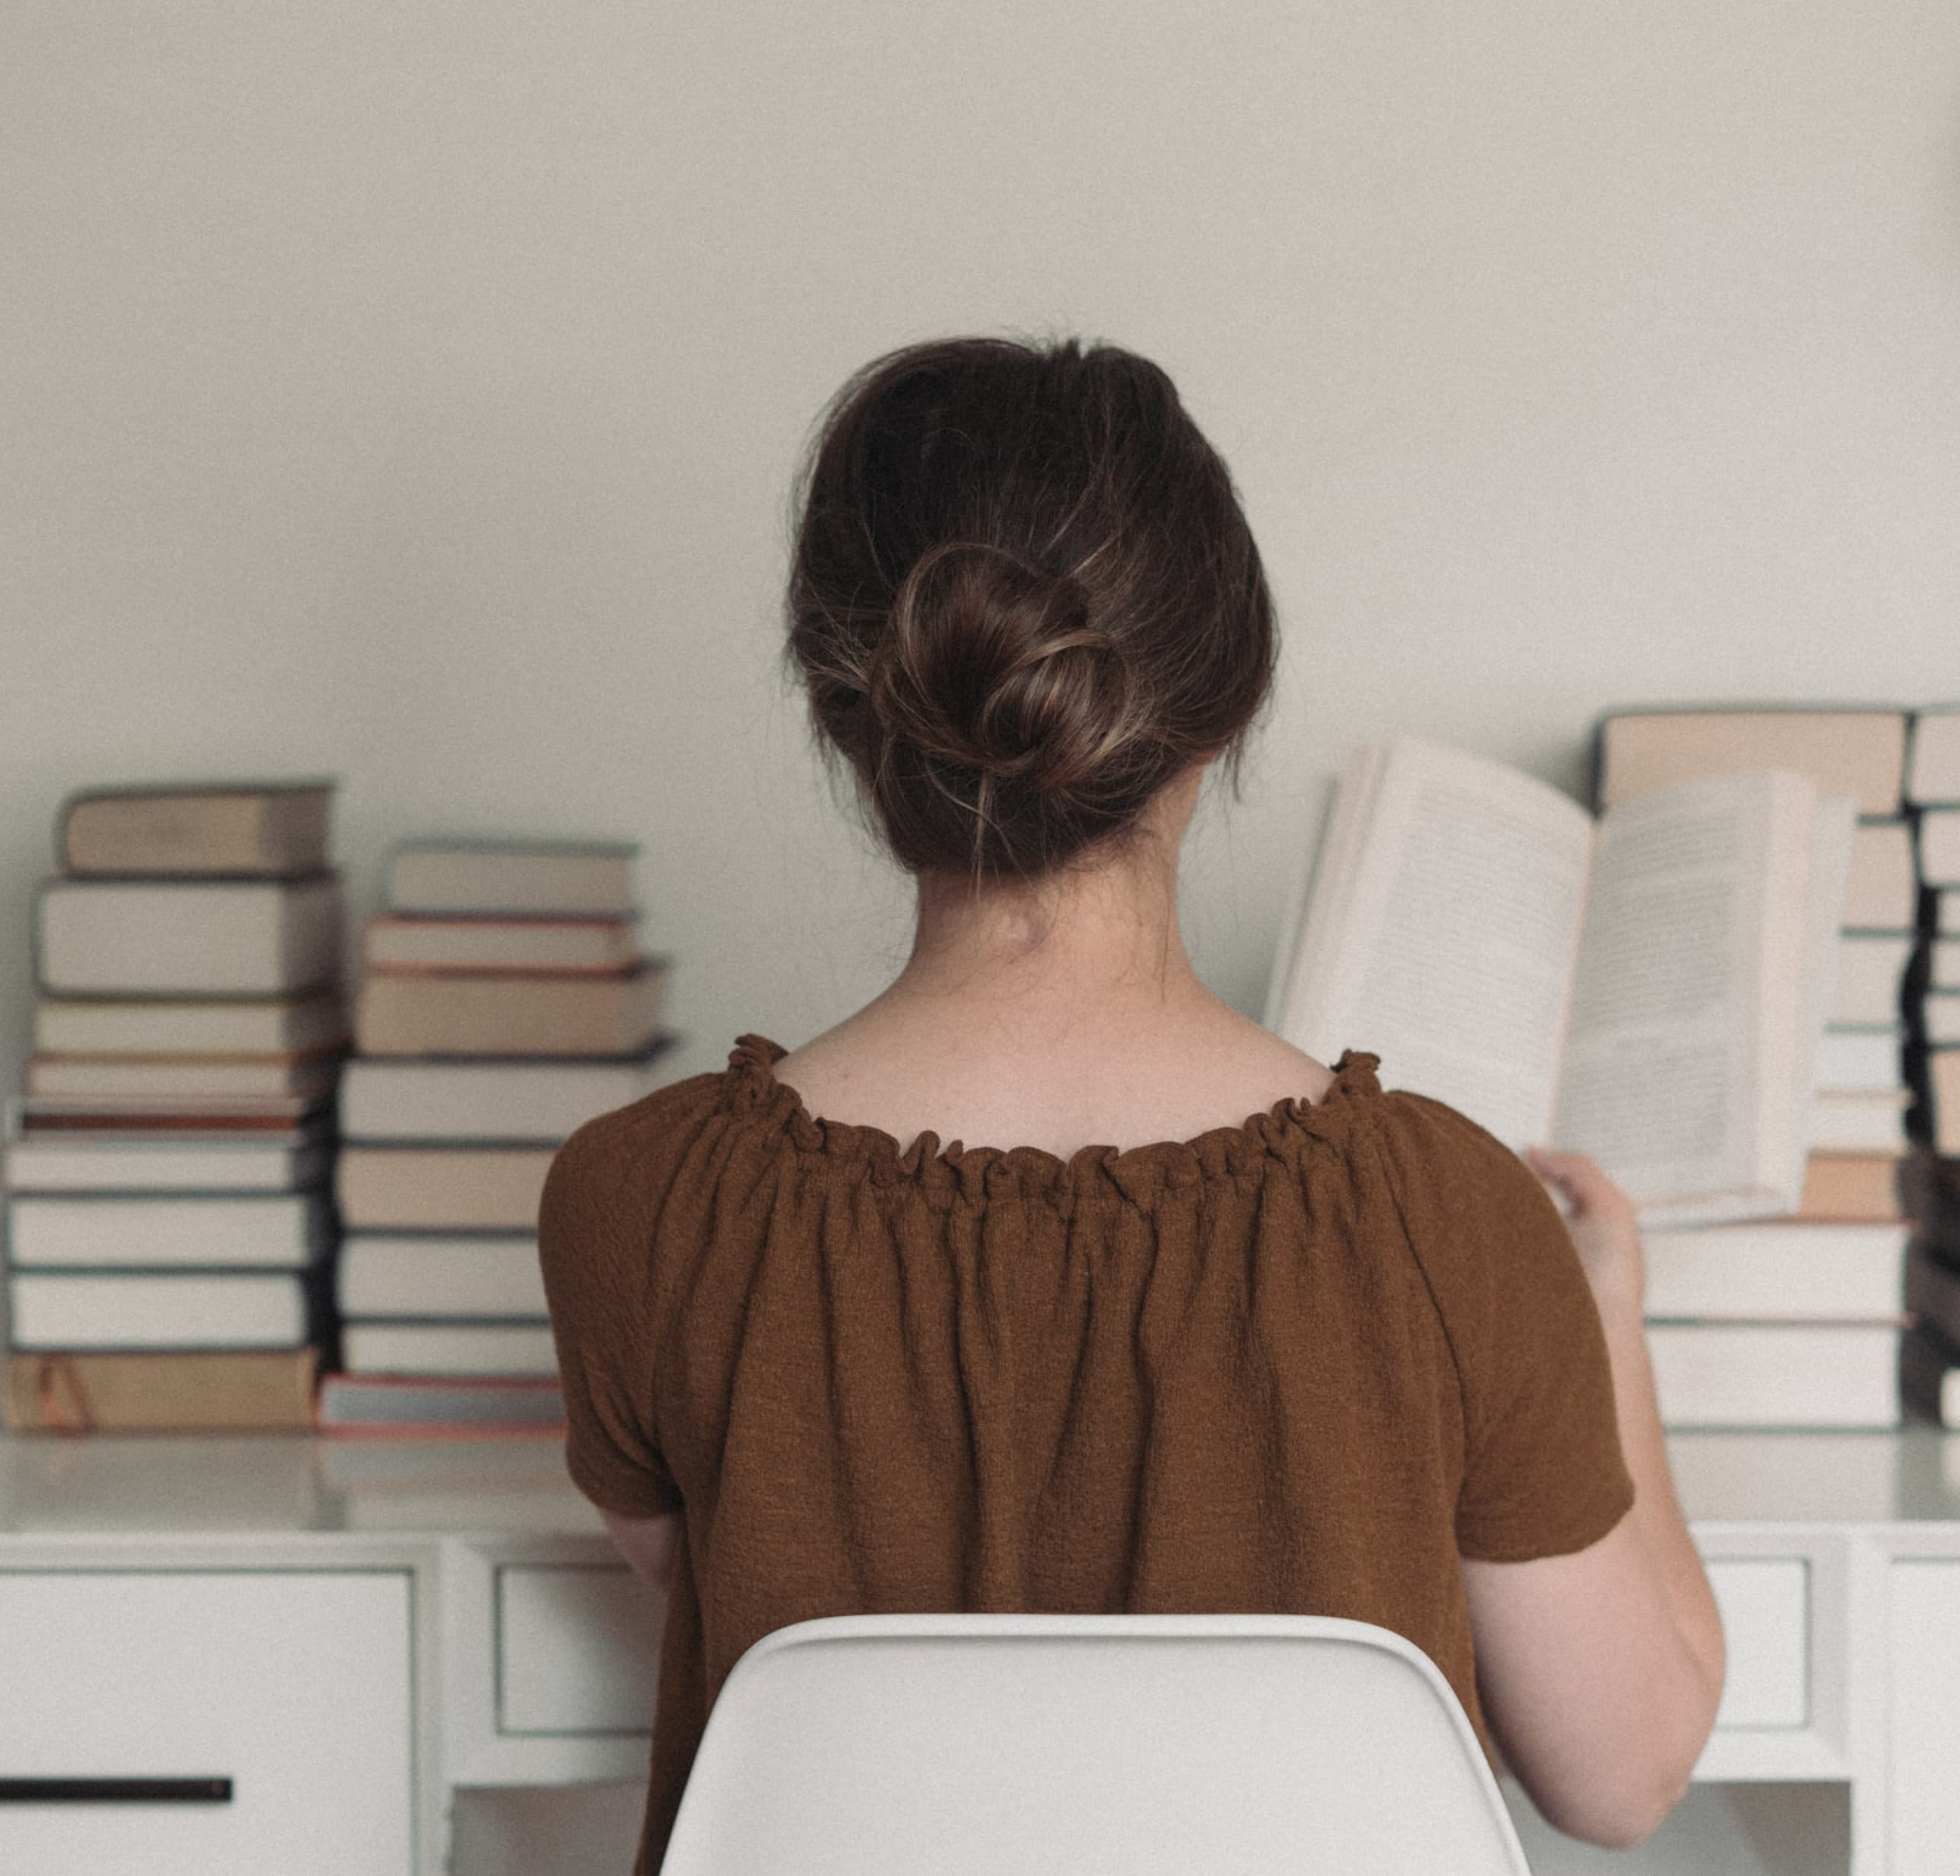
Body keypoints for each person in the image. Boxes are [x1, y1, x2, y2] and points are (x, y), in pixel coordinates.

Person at [538, 335, 1725, 1871]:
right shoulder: (1444, 1223)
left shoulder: (645, 1208)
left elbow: (789, 1665)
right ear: (1221, 713)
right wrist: (1603, 1318)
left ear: (849, 720)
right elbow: (1624, 1777)